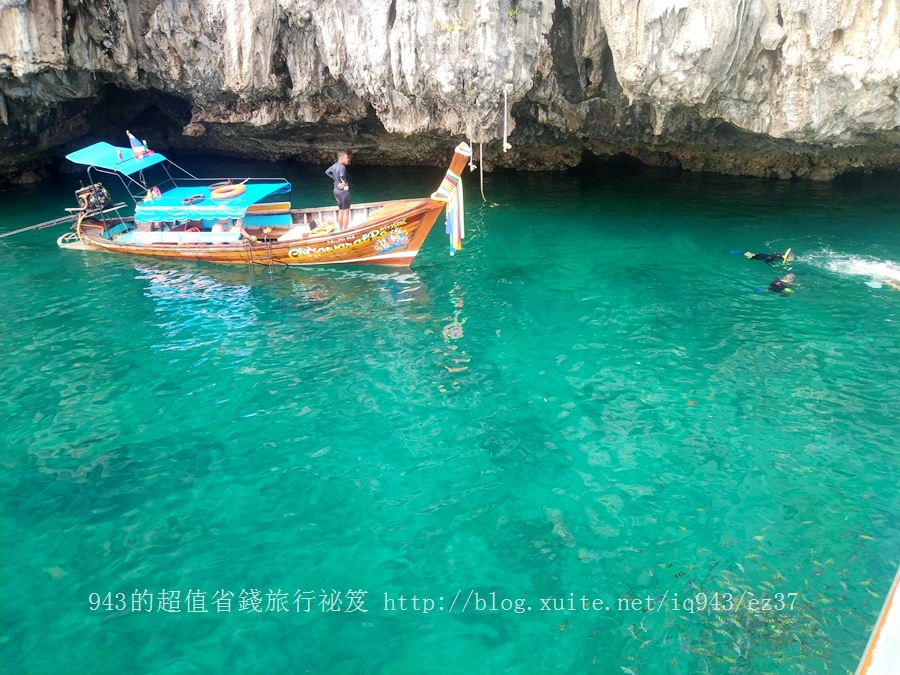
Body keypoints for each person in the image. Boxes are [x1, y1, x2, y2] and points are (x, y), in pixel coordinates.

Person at [325, 150, 351, 231]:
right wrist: (345, 183)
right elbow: (342, 175)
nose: (348, 160)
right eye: (346, 158)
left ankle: (340, 230)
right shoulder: (342, 166)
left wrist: (336, 180)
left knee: (340, 211)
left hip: (336, 190)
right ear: (342, 158)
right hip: (343, 192)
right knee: (346, 212)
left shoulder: (334, 166)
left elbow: (327, 172)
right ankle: (345, 231)